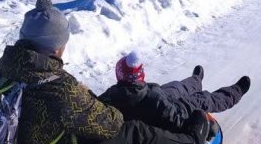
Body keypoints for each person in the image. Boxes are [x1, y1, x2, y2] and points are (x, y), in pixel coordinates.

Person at [0, 0, 209, 144]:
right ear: (56, 48)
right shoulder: (61, 88)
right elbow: (112, 123)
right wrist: (90, 99)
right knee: (132, 132)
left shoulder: (3, 67)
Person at [99, 52, 251, 133]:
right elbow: (176, 120)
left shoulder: (111, 94)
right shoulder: (156, 101)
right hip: (168, 109)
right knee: (202, 99)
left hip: (151, 96)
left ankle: (196, 80)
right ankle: (236, 91)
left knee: (176, 87)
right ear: (140, 75)